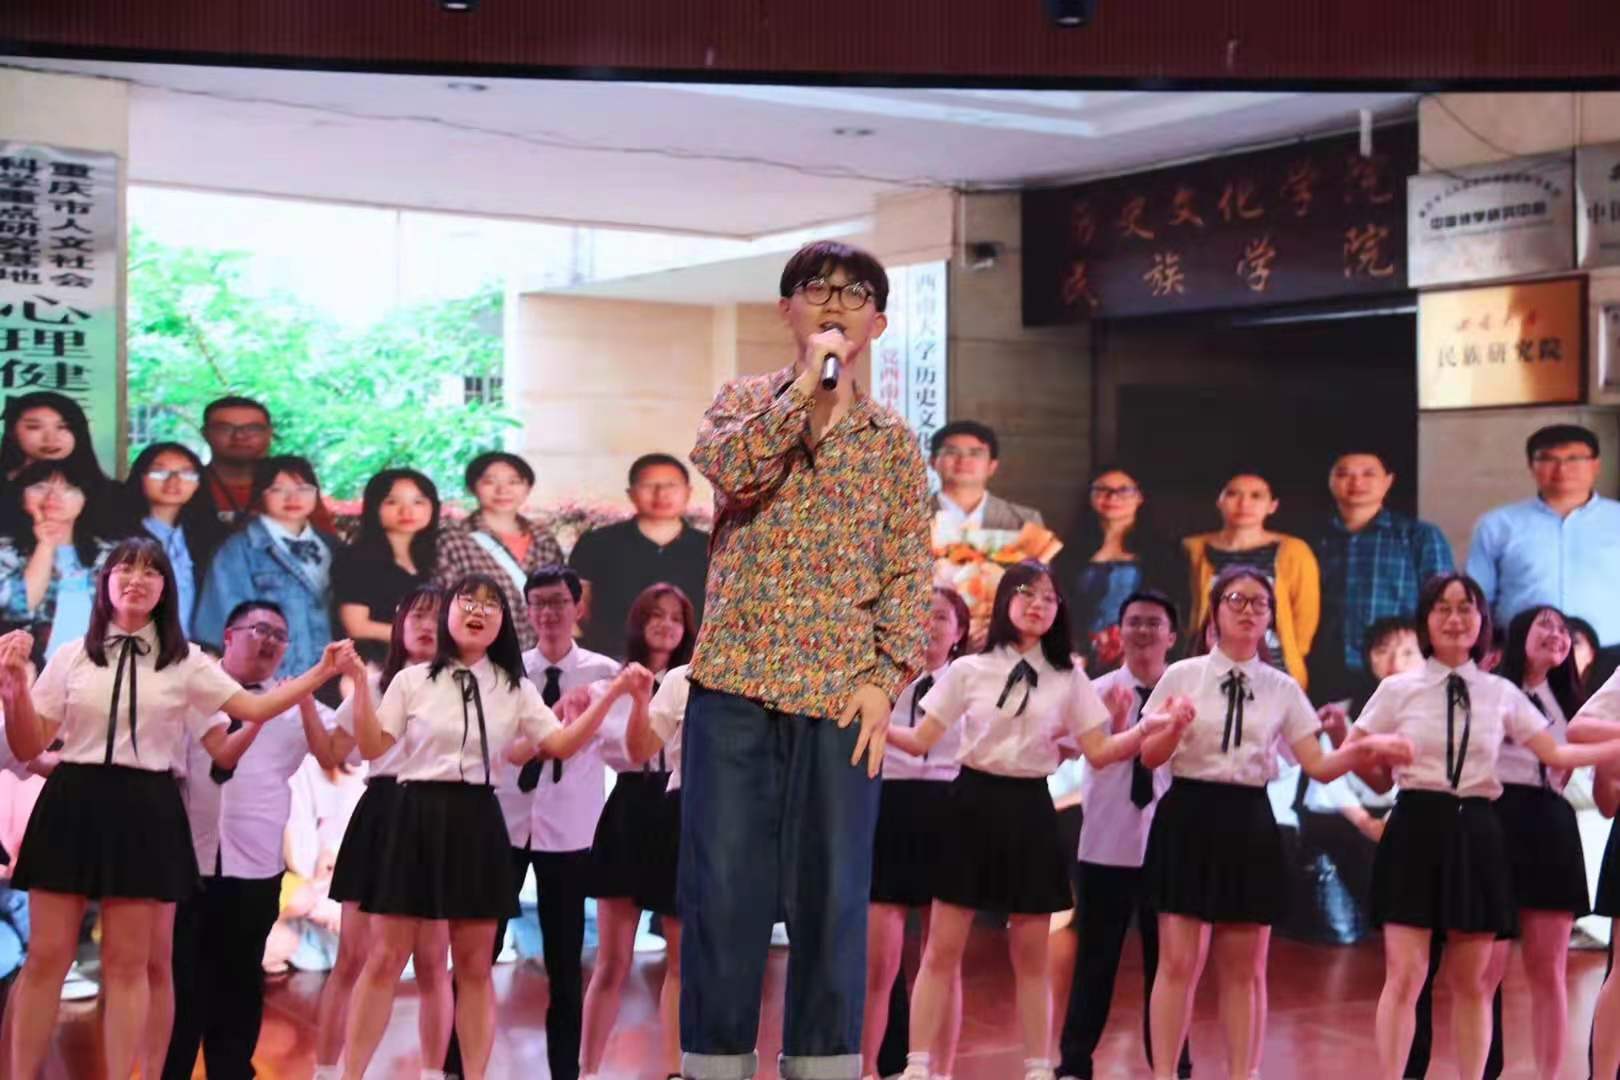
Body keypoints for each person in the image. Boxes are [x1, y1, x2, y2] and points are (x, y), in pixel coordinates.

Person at [680, 239, 932, 1080]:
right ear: (787, 310)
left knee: (833, 898)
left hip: (840, 698)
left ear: (878, 324)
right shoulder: (743, 403)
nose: (834, 303)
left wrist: (884, 681)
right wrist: (803, 392)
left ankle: (823, 1067)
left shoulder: (892, 442)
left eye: (855, 294)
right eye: (816, 289)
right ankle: (716, 1065)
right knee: (723, 892)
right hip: (734, 686)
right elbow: (731, 470)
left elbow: (910, 571)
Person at [0, 536, 355, 1080]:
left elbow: (252, 706)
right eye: (125, 568)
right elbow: (29, 745)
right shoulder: (73, 653)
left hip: (147, 807)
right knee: (47, 957)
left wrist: (318, 675)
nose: (136, 579)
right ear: (105, 581)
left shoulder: (185, 659)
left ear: (166, 588)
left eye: (151, 571)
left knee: (128, 964)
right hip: (72, 799)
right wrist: (14, 695)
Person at [887, 563, 1170, 1080]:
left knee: (1032, 956)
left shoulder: (1068, 678)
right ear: (1003, 601)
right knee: (941, 950)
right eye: (1026, 593)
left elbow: (1100, 750)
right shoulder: (970, 670)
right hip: (970, 804)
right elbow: (921, 738)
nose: (1037, 604)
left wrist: (1150, 726)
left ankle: (1039, 1067)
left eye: (1048, 597)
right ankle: (917, 1065)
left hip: (1030, 811)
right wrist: (873, 723)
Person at [1137, 565, 1411, 1080]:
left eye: (1259, 603)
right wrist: (1172, 728)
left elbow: (1319, 766)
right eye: (1236, 600)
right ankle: (1166, 1073)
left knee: (1245, 970)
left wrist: (1360, 744)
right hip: (1188, 815)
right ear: (1215, 612)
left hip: (1249, 820)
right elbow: (1150, 756)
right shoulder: (1182, 675)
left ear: (1271, 618)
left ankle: (1245, 1074)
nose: (1248, 610)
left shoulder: (1282, 687)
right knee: (1177, 964)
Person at [338, 574, 611, 1080]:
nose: (478, 611)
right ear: (449, 612)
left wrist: (606, 703)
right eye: (468, 601)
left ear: (503, 622)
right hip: (414, 814)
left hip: (478, 821)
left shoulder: (514, 687)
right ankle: (350, 1073)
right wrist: (358, 684)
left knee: (474, 967)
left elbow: (560, 744)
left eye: (491, 604)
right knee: (386, 957)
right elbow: (374, 746)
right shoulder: (412, 680)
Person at [1348, 573, 1620, 1080]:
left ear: (1483, 622)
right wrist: (1366, 746)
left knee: (1478, 980)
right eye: (1443, 608)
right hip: (1422, 824)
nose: (1455, 619)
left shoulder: (1499, 693)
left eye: (1466, 608)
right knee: (1409, 974)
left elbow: (1559, 754)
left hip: (1482, 829)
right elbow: (1354, 762)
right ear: (1426, 620)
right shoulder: (1399, 688)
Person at [162, 599, 344, 1080]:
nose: (269, 642)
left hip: (256, 865)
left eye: (279, 637)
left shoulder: (292, 703)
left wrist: (353, 686)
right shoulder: (190, 690)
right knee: (179, 981)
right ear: (228, 635)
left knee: (241, 980)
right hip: (186, 861)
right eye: (259, 630)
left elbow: (344, 747)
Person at [450, 565, 616, 1080]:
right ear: (525, 611)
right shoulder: (503, 673)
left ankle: (565, 1071)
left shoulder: (604, 674)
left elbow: (622, 749)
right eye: (538, 603)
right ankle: (455, 1066)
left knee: (565, 963)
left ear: (578, 607)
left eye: (558, 602)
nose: (548, 613)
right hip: (503, 824)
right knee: (479, 951)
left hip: (569, 831)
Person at [309, 585, 454, 1080]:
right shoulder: (374, 684)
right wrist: (306, 701)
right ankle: (327, 1071)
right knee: (352, 957)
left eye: (436, 617)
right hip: (383, 814)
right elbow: (333, 752)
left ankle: (432, 1073)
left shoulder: (466, 685)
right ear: (398, 624)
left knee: (433, 961)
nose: (426, 626)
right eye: (416, 616)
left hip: (439, 816)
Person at [1054, 591, 1193, 1080]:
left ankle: (1173, 1066)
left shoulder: (1188, 697)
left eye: (1154, 623)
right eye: (1133, 622)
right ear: (1120, 632)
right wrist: (1110, 726)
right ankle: (1074, 1063)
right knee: (1095, 962)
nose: (1143, 631)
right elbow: (1067, 751)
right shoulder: (1096, 691)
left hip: (1168, 846)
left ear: (1172, 636)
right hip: (1106, 844)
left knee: (1171, 966)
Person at [577, 583, 698, 1080]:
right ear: (638, 621)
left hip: (679, 812)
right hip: (628, 809)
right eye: (656, 615)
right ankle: (587, 1070)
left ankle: (673, 1071)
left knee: (681, 959)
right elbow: (625, 750)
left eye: (676, 618)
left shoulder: (698, 682)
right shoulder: (610, 683)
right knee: (612, 962)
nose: (666, 625)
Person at [858, 586, 972, 1080]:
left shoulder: (970, 682)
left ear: (959, 631)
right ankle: (866, 1070)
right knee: (878, 964)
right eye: (921, 614)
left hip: (949, 812)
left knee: (942, 959)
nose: (930, 625)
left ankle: (939, 1071)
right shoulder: (878, 678)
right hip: (888, 808)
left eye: (941, 616)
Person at [1309, 451, 1454, 704]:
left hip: (1400, 667)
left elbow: (1442, 605)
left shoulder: (1419, 536)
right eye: (1344, 474)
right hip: (1329, 668)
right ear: (1330, 481)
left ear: (1388, 481)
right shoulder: (1314, 538)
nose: (1356, 482)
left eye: (1368, 474)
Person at [1467, 424, 1620, 648]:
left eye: (1574, 458)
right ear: (1531, 466)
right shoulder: (1497, 525)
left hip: (1611, 652)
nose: (1562, 469)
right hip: (1521, 653)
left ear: (1596, 465)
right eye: (1548, 459)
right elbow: (1478, 600)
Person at [194, 455, 341, 683]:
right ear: (260, 494)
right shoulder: (238, 550)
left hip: (331, 677)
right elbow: (220, 625)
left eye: (303, 489)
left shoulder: (333, 547)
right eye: (277, 489)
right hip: (272, 681)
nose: (293, 498)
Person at [1183, 472, 1321, 689]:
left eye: (1256, 496)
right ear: (1219, 501)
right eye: (1233, 494)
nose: (1244, 503)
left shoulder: (1294, 551)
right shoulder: (1192, 548)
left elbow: (1305, 617)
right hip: (1206, 664)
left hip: (1275, 667)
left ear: (1272, 505)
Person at [568, 453, 709, 660]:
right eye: (649, 485)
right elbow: (577, 609)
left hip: (690, 663)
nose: (661, 494)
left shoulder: (710, 547)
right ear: (631, 493)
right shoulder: (596, 543)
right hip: (611, 659)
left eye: (671, 485)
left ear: (688, 492)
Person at [1050, 467, 1181, 673]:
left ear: (1139, 496)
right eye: (1102, 490)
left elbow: (1172, 607)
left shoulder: (1162, 552)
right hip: (1080, 656)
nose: (1112, 497)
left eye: (1124, 490)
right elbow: (1057, 602)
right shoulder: (1068, 551)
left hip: (1141, 654)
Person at [433, 451, 564, 653]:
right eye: (490, 482)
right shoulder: (453, 539)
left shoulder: (544, 539)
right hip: (481, 655)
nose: (503, 490)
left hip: (540, 656)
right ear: (472, 487)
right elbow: (444, 606)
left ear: (527, 487)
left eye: (514, 482)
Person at [0, 459, 116, 661]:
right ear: (21, 495)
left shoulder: (109, 553)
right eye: (40, 486)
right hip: (30, 669)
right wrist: (45, 546)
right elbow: (17, 608)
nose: (53, 497)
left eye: (69, 488)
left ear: (84, 499)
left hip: (98, 667)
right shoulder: (6, 550)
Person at [333, 468, 441, 664]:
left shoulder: (432, 559)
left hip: (418, 665)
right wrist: (416, 638)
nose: (407, 511)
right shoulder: (356, 558)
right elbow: (357, 626)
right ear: (374, 507)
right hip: (373, 665)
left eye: (418, 502)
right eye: (392, 502)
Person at [124, 442, 225, 640]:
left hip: (198, 650)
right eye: (159, 472)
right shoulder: (117, 537)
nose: (174, 481)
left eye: (186, 473)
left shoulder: (211, 537)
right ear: (140, 477)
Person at [197, 396, 336, 532]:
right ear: (205, 434)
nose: (239, 436)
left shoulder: (294, 484)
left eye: (253, 428)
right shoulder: (189, 484)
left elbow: (325, 540)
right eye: (225, 428)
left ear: (270, 433)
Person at [930, 419, 1044, 535]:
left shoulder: (1025, 520)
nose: (963, 460)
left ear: (992, 466)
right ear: (933, 462)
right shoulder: (918, 515)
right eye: (951, 452)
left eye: (975, 454)